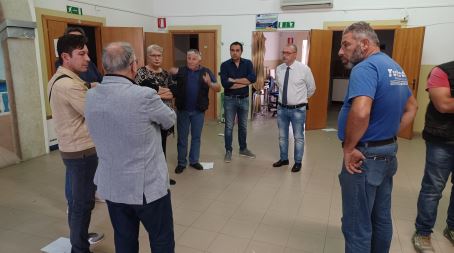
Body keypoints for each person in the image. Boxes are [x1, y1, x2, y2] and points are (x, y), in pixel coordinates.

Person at [85, 42, 176, 253]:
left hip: (113, 186)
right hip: (146, 187)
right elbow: (169, 120)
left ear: (105, 66)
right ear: (133, 66)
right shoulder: (144, 95)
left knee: (124, 240)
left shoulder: (91, 95)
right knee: (161, 239)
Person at [337, 21, 418, 253]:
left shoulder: (365, 68)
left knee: (356, 225)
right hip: (387, 153)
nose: (341, 51)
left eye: (346, 44)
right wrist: (389, 133)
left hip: (365, 157)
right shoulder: (394, 66)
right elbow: (412, 107)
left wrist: (349, 148)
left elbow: (361, 111)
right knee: (380, 218)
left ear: (364, 43)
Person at [47, 34, 101, 253]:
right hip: (82, 152)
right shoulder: (70, 86)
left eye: (87, 52)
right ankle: (79, 248)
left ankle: (79, 239)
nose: (87, 58)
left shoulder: (59, 78)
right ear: (65, 56)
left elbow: (82, 91)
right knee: (82, 204)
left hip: (72, 150)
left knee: (78, 201)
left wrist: (91, 86)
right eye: (82, 54)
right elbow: (96, 115)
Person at [412, 61, 454, 253]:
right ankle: (423, 231)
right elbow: (444, 105)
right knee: (433, 188)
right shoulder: (442, 71)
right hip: (442, 140)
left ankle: (451, 228)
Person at [172, 49, 221, 174]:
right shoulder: (181, 71)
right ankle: (181, 163)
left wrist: (209, 83)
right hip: (183, 110)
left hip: (198, 111)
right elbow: (170, 82)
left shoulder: (206, 72)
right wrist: (170, 71)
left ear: (199, 60)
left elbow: (218, 88)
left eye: (194, 58)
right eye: (189, 58)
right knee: (182, 138)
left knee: (196, 137)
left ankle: (194, 161)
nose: (190, 61)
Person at [135, 44, 176, 185]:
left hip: (164, 116)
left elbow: (172, 93)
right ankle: (148, 178)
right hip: (147, 118)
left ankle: (162, 177)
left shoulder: (165, 74)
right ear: (148, 56)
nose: (157, 58)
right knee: (149, 149)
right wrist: (162, 93)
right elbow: (141, 94)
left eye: (159, 55)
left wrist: (157, 92)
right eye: (154, 55)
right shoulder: (141, 73)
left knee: (162, 148)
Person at [272, 44, 316, 173]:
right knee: (282, 136)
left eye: (288, 53)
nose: (284, 55)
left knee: (298, 137)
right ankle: (284, 159)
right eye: (283, 52)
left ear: (295, 54)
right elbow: (280, 85)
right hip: (281, 108)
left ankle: (298, 162)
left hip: (298, 110)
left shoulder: (304, 69)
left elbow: (311, 88)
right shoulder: (279, 69)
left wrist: (299, 100)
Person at [220, 41, 257, 163]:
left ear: (241, 51)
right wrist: (243, 82)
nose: (234, 52)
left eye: (237, 50)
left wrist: (234, 81)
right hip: (229, 99)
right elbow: (226, 84)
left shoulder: (247, 63)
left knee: (243, 126)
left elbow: (252, 79)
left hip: (244, 99)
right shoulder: (224, 65)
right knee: (229, 127)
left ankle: (243, 149)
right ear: (230, 51)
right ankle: (228, 151)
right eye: (232, 50)